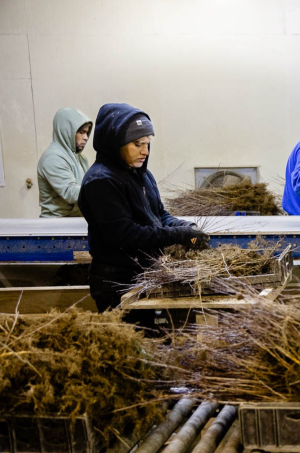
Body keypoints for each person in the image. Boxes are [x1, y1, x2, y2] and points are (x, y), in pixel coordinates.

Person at [78, 104, 208, 312]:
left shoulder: (141, 174)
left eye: (147, 144)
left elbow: (159, 215)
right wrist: (178, 234)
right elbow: (126, 235)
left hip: (146, 274)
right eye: (137, 144)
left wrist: (186, 227)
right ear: (115, 143)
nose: (145, 151)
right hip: (118, 282)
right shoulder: (101, 181)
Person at [37, 108, 93, 217]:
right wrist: (104, 191)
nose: (86, 138)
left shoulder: (81, 158)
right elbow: (70, 193)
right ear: (67, 131)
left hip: (73, 222)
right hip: (56, 226)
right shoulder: (52, 158)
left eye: (87, 132)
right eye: (81, 132)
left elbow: (88, 186)